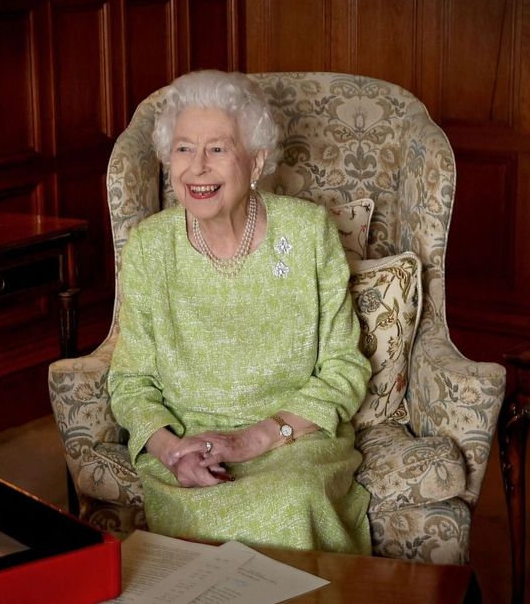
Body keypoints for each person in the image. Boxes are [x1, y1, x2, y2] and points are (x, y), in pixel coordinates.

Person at [107, 70, 372, 554]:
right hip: (188, 451)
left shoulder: (309, 233)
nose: (198, 168)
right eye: (184, 149)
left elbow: (343, 368)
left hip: (293, 442)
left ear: (256, 161)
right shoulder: (149, 247)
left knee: (292, 502)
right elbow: (130, 382)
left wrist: (252, 441)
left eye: (218, 149)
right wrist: (171, 453)